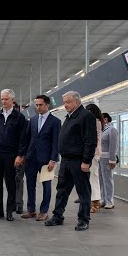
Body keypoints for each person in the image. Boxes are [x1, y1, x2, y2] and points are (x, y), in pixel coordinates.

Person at [45, 91, 96, 231]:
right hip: (66, 161)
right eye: (64, 102)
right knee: (62, 190)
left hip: (79, 161)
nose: (65, 105)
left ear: (77, 102)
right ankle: (57, 216)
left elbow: (90, 141)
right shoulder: (69, 117)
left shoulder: (86, 116)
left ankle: (83, 219)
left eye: (68, 102)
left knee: (83, 191)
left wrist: (86, 161)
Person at [0, 89, 27, 221]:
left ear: (12, 101)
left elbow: (23, 138)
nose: (3, 101)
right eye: (2, 99)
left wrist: (20, 155)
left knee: (11, 184)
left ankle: (10, 211)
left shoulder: (19, 117)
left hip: (11, 155)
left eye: (6, 99)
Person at [21, 94, 61, 221]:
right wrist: (23, 155)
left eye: (40, 105)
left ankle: (44, 211)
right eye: (36, 105)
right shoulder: (32, 120)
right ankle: (31, 210)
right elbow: (26, 139)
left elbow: (56, 143)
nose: (38, 107)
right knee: (30, 184)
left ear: (47, 105)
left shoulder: (55, 122)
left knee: (46, 186)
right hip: (31, 158)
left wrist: (53, 159)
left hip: (46, 160)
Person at [85, 103, 104, 213]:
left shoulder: (95, 122)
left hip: (94, 153)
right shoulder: (96, 121)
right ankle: (92, 201)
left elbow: (95, 139)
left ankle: (95, 202)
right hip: (93, 152)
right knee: (91, 177)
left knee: (93, 177)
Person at [99, 112, 118, 209]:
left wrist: (112, 160)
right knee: (101, 180)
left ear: (105, 119)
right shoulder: (102, 130)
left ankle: (110, 201)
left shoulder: (112, 130)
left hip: (107, 158)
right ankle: (103, 199)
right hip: (100, 157)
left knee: (107, 179)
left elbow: (113, 146)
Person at [13, 101, 27, 214]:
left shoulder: (23, 121)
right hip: (8, 157)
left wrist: (22, 155)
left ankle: (18, 204)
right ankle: (12, 202)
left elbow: (25, 140)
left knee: (18, 179)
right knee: (10, 180)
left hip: (19, 156)